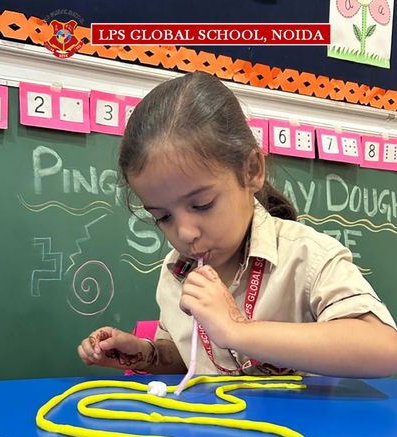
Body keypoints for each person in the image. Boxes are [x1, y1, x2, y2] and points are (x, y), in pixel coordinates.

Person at [78, 72, 397, 378]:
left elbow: (385, 349)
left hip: (301, 433)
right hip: (211, 430)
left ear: (252, 171)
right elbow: (192, 359)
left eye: (202, 205)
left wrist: (237, 328)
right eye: (163, 217)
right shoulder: (175, 272)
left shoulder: (305, 256)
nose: (186, 233)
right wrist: (149, 354)